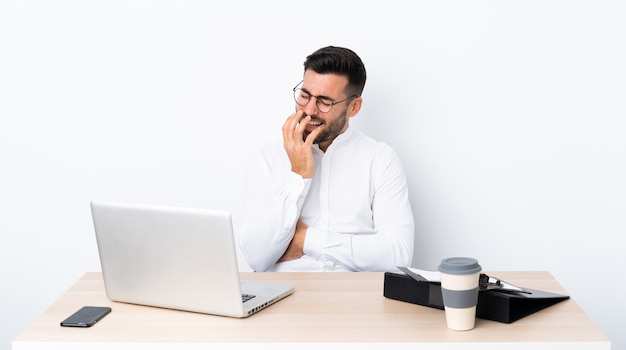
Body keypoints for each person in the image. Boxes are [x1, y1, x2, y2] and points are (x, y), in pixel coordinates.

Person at [239, 46, 414, 272]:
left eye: (325, 101)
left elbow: (398, 255)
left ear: (354, 107)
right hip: (283, 298)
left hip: (357, 299)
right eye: (304, 95)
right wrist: (298, 176)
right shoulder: (266, 158)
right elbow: (256, 258)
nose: (309, 110)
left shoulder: (380, 159)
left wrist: (306, 240)